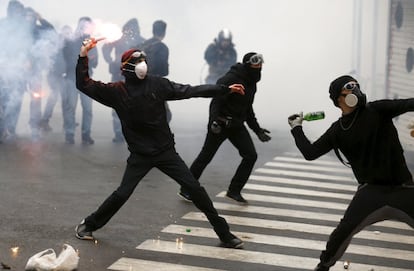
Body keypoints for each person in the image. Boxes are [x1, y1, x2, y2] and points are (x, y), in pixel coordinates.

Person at [74, 39, 246, 249]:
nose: (142, 64)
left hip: (166, 152)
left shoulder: (158, 84)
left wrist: (223, 89)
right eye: (137, 60)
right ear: (126, 66)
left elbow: (190, 90)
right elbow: (83, 84)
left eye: (144, 59)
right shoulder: (116, 92)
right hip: (140, 155)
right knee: (122, 193)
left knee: (195, 189)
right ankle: (88, 225)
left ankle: (225, 234)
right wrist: (83, 55)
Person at [287, 75, 414, 271]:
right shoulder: (337, 130)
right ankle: (323, 267)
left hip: (403, 188)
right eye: (349, 87)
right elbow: (310, 153)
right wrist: (297, 129)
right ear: (339, 97)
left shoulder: (378, 109)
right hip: (370, 192)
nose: (356, 91)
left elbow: (409, 103)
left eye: (357, 86)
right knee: (341, 233)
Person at [178, 52, 271, 204]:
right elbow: (216, 102)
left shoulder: (251, 82)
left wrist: (257, 130)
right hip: (220, 124)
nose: (259, 68)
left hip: (236, 125)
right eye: (256, 65)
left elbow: (247, 109)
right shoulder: (230, 79)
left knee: (250, 156)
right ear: (248, 65)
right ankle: (186, 188)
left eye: (261, 65)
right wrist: (213, 122)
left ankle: (234, 191)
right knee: (205, 157)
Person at [102, 18, 145, 143]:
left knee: (134, 105)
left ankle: (130, 133)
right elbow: (105, 48)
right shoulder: (118, 39)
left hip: (133, 78)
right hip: (119, 75)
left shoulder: (141, 42)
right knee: (118, 104)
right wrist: (111, 61)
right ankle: (119, 133)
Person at [62, 16, 98, 145]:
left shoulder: (91, 42)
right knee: (70, 107)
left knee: (87, 109)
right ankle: (70, 134)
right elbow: (65, 58)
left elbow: (96, 62)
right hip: (72, 78)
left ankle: (86, 134)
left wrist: (92, 59)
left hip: (86, 80)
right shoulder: (70, 40)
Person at [39, 25, 72, 133]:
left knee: (64, 99)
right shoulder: (55, 43)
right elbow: (48, 58)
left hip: (63, 75)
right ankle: (45, 121)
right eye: (65, 33)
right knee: (54, 97)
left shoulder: (68, 44)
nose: (67, 35)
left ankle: (66, 122)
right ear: (62, 32)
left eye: (69, 33)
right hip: (54, 75)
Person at [139, 20, 172, 122]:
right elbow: (164, 71)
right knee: (165, 115)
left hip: (139, 84)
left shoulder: (142, 45)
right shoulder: (162, 48)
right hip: (155, 85)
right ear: (164, 33)